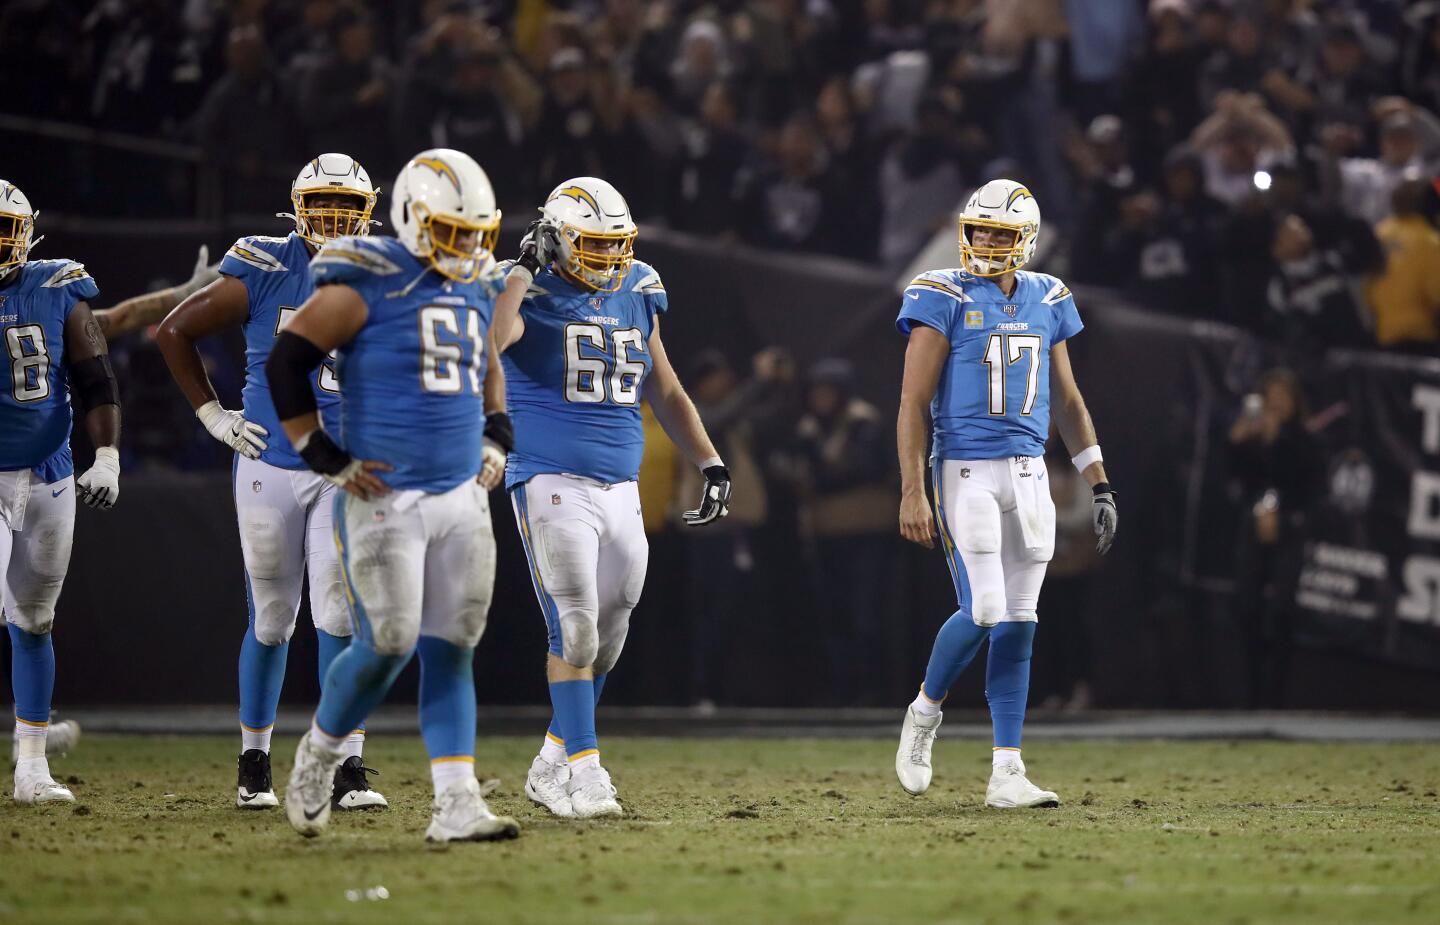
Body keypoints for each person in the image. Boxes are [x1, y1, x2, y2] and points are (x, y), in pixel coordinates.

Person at [268, 148, 520, 843]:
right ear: (412, 219)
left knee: (453, 646)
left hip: (460, 494)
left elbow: (486, 359)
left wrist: (497, 434)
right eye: (452, 229)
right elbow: (288, 360)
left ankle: (456, 801)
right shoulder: (368, 281)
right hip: (385, 498)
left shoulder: (472, 282)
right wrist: (322, 453)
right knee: (388, 643)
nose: (468, 245)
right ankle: (319, 754)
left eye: (477, 231)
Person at [155, 153, 387, 812]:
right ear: (296, 209)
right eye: (324, 208)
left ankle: (345, 765)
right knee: (274, 617)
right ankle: (254, 760)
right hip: (271, 462)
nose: (337, 221)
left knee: (340, 615)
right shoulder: (265, 263)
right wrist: (211, 414)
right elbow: (175, 330)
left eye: (348, 209)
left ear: (368, 213)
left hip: (342, 466)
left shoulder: (387, 272)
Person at [498, 177, 731, 819]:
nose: (607, 259)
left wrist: (709, 462)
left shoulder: (638, 288)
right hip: (548, 475)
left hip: (621, 485)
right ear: (554, 239)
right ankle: (588, 770)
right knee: (573, 627)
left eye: (614, 245)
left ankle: (552, 761)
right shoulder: (527, 286)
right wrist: (520, 270)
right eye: (591, 245)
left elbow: (668, 389)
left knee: (610, 631)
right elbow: (488, 345)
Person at [892, 179, 1117, 809]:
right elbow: (911, 402)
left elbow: (1068, 400)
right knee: (986, 608)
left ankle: (1007, 770)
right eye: (979, 230)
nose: (986, 242)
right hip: (964, 468)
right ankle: (924, 712)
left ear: (1027, 240)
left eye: (1000, 232)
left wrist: (1098, 481)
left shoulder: (1048, 295)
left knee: (1021, 621)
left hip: (1029, 473)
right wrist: (913, 489)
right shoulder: (943, 293)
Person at [0, 180, 122, 804]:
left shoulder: (56, 285)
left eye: (4, 229)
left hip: (48, 472)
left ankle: (30, 770)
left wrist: (107, 456)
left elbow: (96, 378)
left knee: (35, 619)